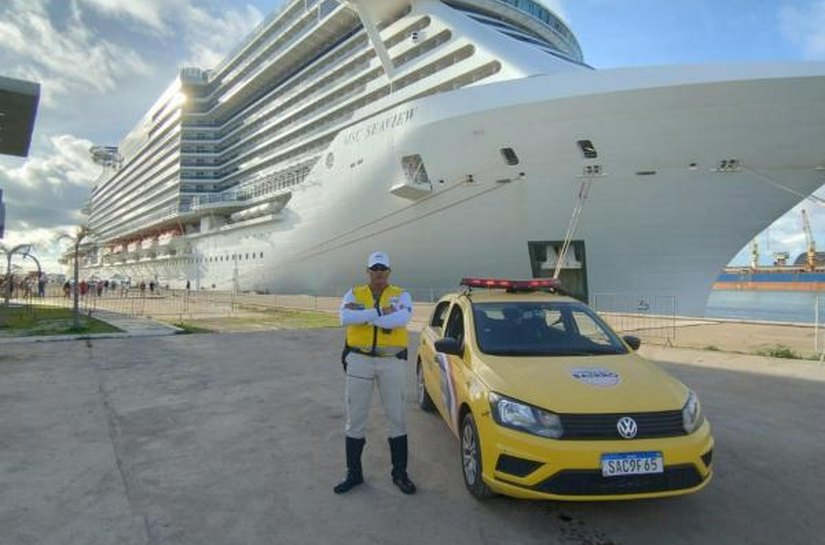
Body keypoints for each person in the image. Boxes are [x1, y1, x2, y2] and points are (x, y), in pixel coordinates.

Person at [334, 251, 416, 495]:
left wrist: (365, 317)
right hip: (359, 360)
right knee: (355, 418)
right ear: (367, 271)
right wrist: (380, 314)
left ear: (389, 272)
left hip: (391, 361)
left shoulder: (402, 294)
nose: (379, 273)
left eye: (383, 269)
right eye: (374, 268)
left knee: (397, 417)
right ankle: (354, 473)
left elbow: (401, 319)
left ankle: (399, 473)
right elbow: (344, 317)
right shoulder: (354, 293)